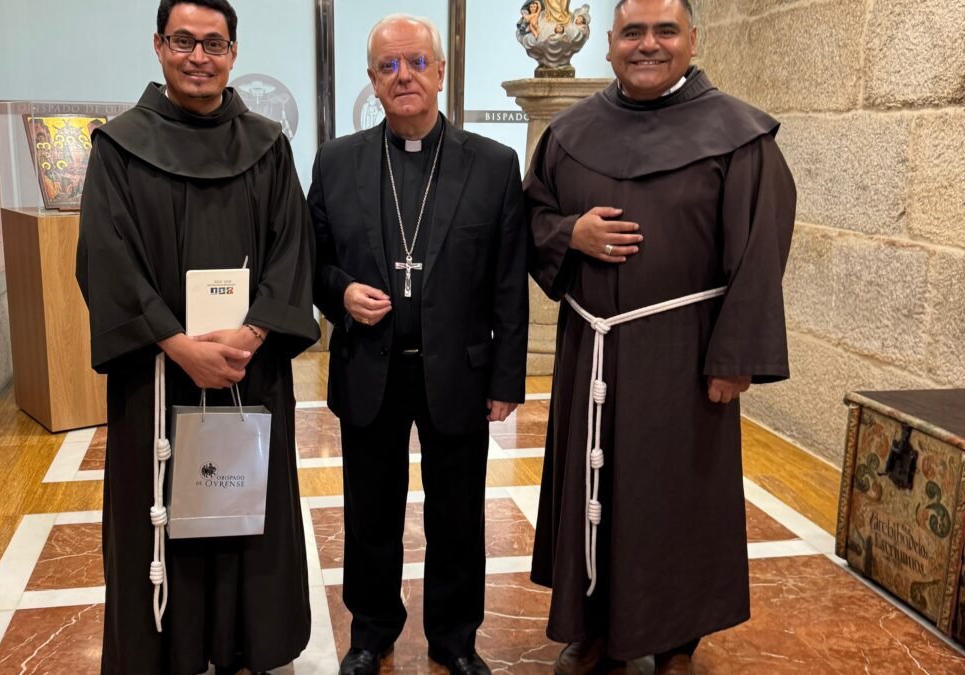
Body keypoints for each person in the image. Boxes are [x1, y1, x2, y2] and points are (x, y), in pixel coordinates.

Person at [524, 1, 796, 674]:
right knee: (596, 488)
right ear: (610, 46)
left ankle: (677, 637)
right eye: (633, 33)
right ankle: (592, 625)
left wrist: (735, 357)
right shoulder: (570, 132)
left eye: (664, 31)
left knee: (677, 497)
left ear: (692, 40)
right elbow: (530, 218)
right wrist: (571, 233)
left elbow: (761, 250)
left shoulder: (738, 135)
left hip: (684, 353)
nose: (648, 45)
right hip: (592, 348)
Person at [75, 1, 318, 673]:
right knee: (161, 513)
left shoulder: (267, 145)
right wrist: (178, 345)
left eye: (214, 43)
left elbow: (293, 249)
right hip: (155, 374)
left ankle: (246, 642)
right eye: (184, 41)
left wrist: (251, 333)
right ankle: (167, 649)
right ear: (158, 45)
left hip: (249, 366)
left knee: (247, 501)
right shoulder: (120, 146)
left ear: (234, 52)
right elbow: (105, 256)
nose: (199, 57)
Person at [308, 13, 528, 675]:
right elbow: (310, 262)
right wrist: (341, 294)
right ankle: (372, 633)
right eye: (387, 66)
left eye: (416, 63)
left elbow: (509, 281)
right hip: (368, 367)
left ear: (439, 72)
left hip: (457, 371)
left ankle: (454, 639)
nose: (403, 76)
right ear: (372, 80)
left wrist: (506, 380)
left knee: (458, 516)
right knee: (370, 514)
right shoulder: (338, 160)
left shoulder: (492, 164)